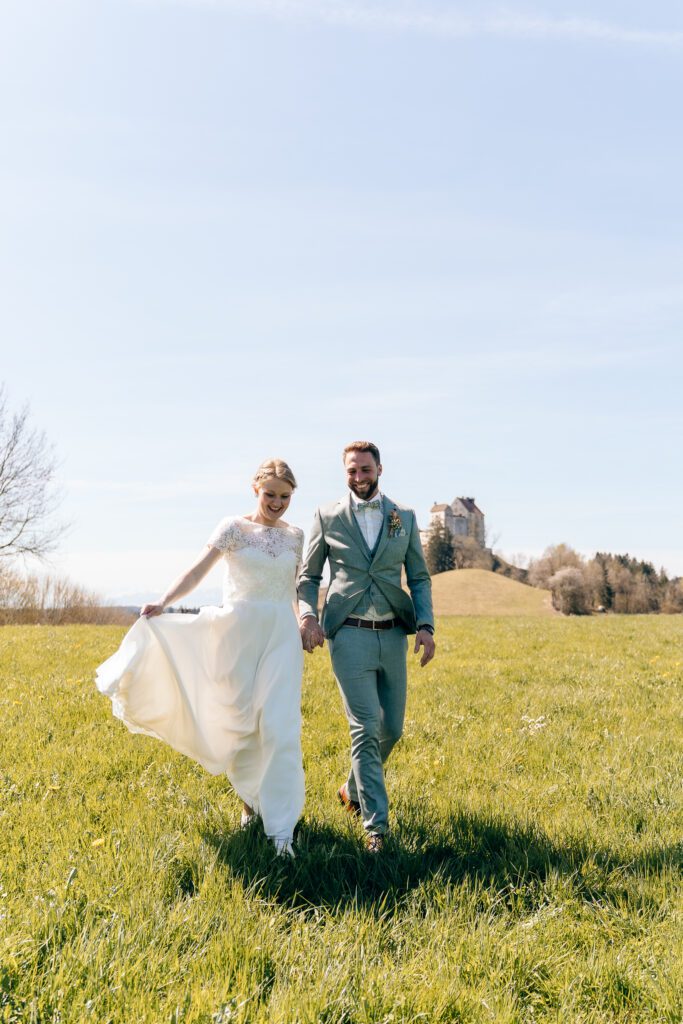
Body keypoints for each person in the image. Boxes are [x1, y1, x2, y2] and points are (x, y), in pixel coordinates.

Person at [95, 459, 305, 857]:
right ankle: (251, 805)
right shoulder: (232, 528)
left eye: (285, 496)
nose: (277, 503)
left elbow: (295, 589)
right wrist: (164, 602)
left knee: (280, 726)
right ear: (255, 490)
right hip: (237, 635)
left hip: (281, 636)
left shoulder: (295, 536)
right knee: (241, 725)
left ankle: (282, 831)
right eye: (270, 494)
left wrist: (305, 621)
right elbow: (197, 572)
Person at [298, 441, 435, 853]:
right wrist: (306, 616)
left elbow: (420, 578)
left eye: (365, 470)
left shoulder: (404, 518)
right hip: (349, 634)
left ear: (379, 469)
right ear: (345, 473)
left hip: (393, 633)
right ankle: (377, 829)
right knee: (366, 726)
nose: (359, 477)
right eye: (352, 471)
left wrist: (426, 625)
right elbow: (308, 577)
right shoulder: (326, 515)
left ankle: (352, 789)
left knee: (392, 728)